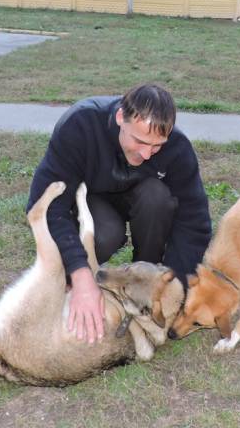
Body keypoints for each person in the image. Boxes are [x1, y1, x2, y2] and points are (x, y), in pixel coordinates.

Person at [27, 83, 212, 345]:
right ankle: (70, 282)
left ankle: (141, 285)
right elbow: (47, 207)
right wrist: (79, 275)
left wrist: (172, 286)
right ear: (119, 119)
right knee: (106, 234)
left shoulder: (177, 147)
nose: (147, 153)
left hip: (143, 197)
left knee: (157, 198)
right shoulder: (81, 125)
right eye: (139, 141)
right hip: (92, 198)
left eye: (157, 146)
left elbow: (194, 223)